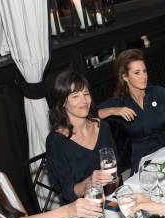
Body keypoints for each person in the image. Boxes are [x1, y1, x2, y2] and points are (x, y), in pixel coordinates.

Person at [98, 49, 165, 174]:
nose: (143, 76)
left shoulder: (158, 94)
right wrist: (113, 110)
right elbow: (90, 115)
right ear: (125, 77)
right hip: (143, 158)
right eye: (137, 73)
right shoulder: (120, 102)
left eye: (144, 71)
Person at [46, 71, 119, 204]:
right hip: (79, 210)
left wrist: (114, 189)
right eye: (75, 96)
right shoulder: (56, 142)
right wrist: (90, 182)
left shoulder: (102, 127)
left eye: (86, 94)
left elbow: (116, 172)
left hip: (108, 199)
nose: (84, 101)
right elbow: (68, 193)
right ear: (63, 102)